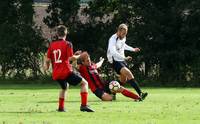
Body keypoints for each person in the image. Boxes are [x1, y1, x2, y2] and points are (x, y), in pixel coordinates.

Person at [43, 25, 94, 112]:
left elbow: (47, 59)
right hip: (65, 71)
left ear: (57, 34)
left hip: (56, 73)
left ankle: (61, 108)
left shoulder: (52, 45)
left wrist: (46, 67)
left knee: (64, 87)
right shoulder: (68, 44)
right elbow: (70, 58)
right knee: (84, 83)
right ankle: (84, 105)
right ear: (66, 33)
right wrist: (79, 56)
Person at [107, 23, 148, 100]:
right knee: (128, 73)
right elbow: (113, 52)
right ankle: (140, 93)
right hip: (115, 61)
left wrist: (133, 49)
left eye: (125, 34)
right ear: (118, 31)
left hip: (122, 60)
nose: (124, 35)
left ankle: (111, 91)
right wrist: (125, 58)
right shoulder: (112, 39)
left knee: (123, 80)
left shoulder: (123, 37)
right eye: (123, 33)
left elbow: (123, 45)